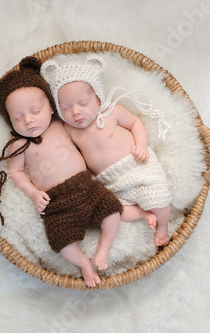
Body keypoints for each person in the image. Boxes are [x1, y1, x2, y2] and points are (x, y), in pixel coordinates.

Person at [0, 56, 123, 287]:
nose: (28, 120)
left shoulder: (60, 124)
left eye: (36, 110)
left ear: (51, 106)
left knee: (113, 212)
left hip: (86, 186)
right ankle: (84, 263)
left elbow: (81, 146)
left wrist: (92, 172)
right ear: (9, 120)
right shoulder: (19, 145)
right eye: (17, 117)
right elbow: (16, 173)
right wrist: (34, 194)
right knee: (60, 243)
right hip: (56, 203)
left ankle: (104, 247)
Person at [41, 55, 172, 246]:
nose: (76, 112)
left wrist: (141, 145)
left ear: (98, 99)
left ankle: (163, 227)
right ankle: (143, 213)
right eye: (66, 107)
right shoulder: (69, 130)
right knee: (116, 210)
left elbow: (136, 123)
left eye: (83, 103)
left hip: (136, 164)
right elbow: (72, 155)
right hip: (109, 180)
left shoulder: (112, 112)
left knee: (158, 199)